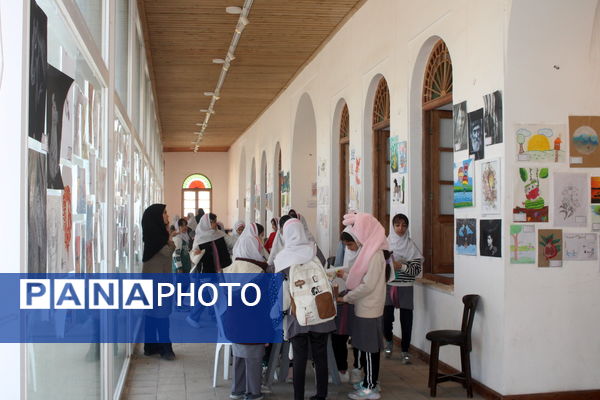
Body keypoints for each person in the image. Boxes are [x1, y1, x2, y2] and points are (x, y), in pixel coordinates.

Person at [274, 218, 335, 400]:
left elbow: (277, 285)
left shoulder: (283, 258)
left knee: (299, 358)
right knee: (320, 356)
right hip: (320, 311)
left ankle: (298, 397)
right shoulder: (314, 251)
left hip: (298, 315)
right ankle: (321, 395)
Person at [338, 213, 388, 400]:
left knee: (368, 349)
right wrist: (343, 275)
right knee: (367, 348)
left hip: (369, 308)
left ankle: (370, 387)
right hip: (365, 307)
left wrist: (346, 298)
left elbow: (367, 285)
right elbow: (360, 275)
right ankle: (370, 381)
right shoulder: (369, 251)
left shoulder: (375, 254)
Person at [224, 223, 268, 400]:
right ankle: (253, 392)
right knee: (254, 357)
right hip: (253, 327)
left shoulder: (230, 269)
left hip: (231, 326)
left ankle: (237, 389)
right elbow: (265, 307)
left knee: (239, 356)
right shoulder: (260, 272)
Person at [383, 214, 423, 364]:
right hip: (389, 286)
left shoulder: (411, 246)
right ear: (392, 227)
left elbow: (417, 269)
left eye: (404, 225)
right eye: (397, 225)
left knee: (407, 321)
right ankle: (388, 342)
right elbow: (379, 265)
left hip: (406, 287)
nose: (401, 228)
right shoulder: (385, 245)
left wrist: (402, 266)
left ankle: (405, 351)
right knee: (386, 319)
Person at [141, 204, 176, 360]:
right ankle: (165, 348)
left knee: (152, 313)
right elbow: (168, 251)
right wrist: (169, 237)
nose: (167, 216)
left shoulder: (155, 234)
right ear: (157, 217)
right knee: (161, 314)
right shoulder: (158, 237)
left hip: (156, 279)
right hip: (157, 281)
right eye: (164, 213)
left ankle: (151, 346)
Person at [330, 227, 360, 384]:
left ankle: (357, 369)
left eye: (350, 245)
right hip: (345, 298)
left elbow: (362, 281)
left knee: (357, 338)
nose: (349, 248)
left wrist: (346, 275)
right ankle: (342, 368)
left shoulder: (366, 255)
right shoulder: (352, 252)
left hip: (357, 301)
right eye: (346, 246)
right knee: (339, 335)